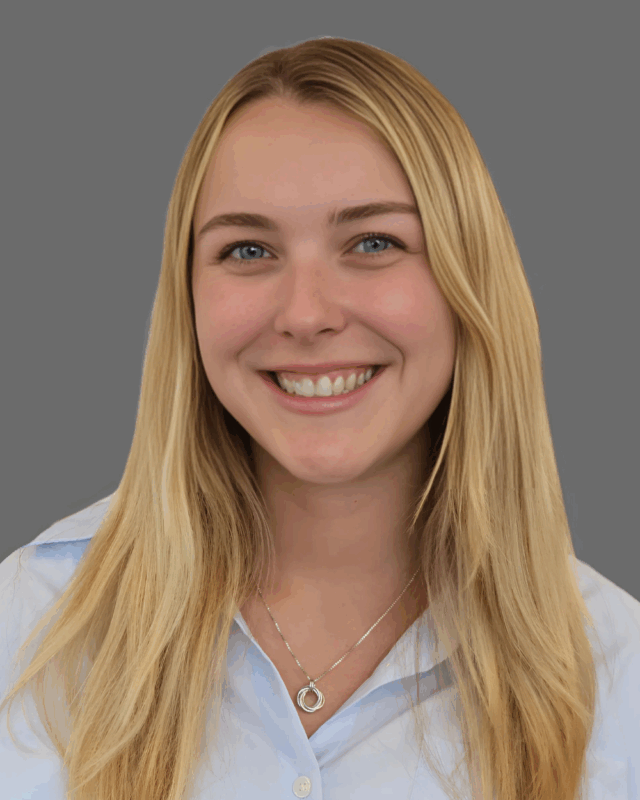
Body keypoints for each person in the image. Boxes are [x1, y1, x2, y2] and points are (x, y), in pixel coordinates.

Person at [1, 36, 638, 800]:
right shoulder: (29, 631)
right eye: (247, 250)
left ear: (469, 281)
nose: (305, 314)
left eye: (374, 242)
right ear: (189, 301)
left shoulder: (617, 676)